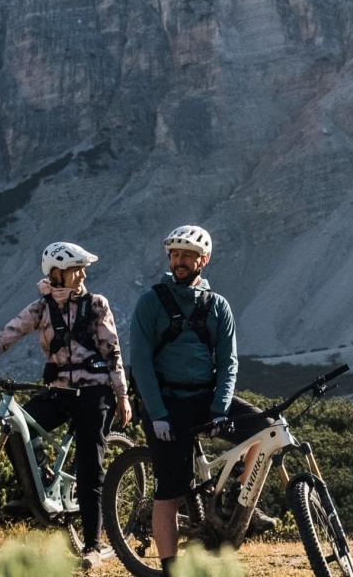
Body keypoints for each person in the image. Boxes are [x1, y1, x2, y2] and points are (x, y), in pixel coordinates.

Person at [0, 241, 131, 569]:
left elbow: (113, 352)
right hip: (58, 392)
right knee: (17, 427)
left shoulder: (96, 305)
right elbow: (7, 335)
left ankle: (92, 546)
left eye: (82, 269)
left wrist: (121, 395)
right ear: (55, 273)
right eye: (74, 269)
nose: (81, 275)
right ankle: (36, 486)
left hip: (94, 394)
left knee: (91, 470)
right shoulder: (41, 308)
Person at [126, 225, 274, 572]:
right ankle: (170, 568)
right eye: (175, 255)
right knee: (169, 491)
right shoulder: (150, 303)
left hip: (205, 398)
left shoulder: (218, 306)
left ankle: (235, 501)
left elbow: (228, 362)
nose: (179, 261)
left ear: (203, 261)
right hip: (166, 403)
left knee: (266, 429)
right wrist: (158, 414)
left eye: (187, 255)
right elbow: (142, 365)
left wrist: (221, 408)